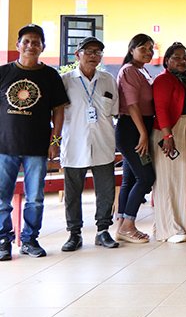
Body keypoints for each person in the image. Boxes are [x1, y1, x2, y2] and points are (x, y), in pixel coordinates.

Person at [0, 25, 69, 260]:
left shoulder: (50, 76)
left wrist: (55, 141)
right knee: (2, 197)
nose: (31, 46)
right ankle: (3, 240)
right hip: (4, 147)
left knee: (35, 199)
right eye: (27, 41)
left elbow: (58, 111)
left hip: (37, 148)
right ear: (18, 45)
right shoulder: (3, 72)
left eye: (36, 42)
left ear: (43, 47)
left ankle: (29, 240)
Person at [60, 36, 119, 252]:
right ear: (78, 55)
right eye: (89, 51)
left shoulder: (108, 80)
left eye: (98, 52)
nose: (94, 56)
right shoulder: (65, 81)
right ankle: (74, 234)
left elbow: (115, 111)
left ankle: (103, 231)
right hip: (74, 145)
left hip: (103, 143)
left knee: (105, 191)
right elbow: (56, 113)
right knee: (73, 193)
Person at [151, 43, 186, 243]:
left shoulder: (184, 80)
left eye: (184, 57)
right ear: (167, 60)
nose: (181, 61)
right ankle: (169, 229)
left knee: (181, 180)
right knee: (168, 180)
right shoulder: (163, 80)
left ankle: (178, 225)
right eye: (176, 57)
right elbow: (160, 109)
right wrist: (167, 136)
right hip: (170, 132)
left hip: (184, 130)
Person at [114, 33, 156, 244]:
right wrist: (143, 134)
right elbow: (132, 105)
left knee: (130, 179)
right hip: (132, 129)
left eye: (150, 48)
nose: (148, 52)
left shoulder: (142, 70)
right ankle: (128, 225)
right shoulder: (129, 70)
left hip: (140, 127)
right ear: (131, 50)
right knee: (146, 177)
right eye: (143, 48)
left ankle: (122, 224)